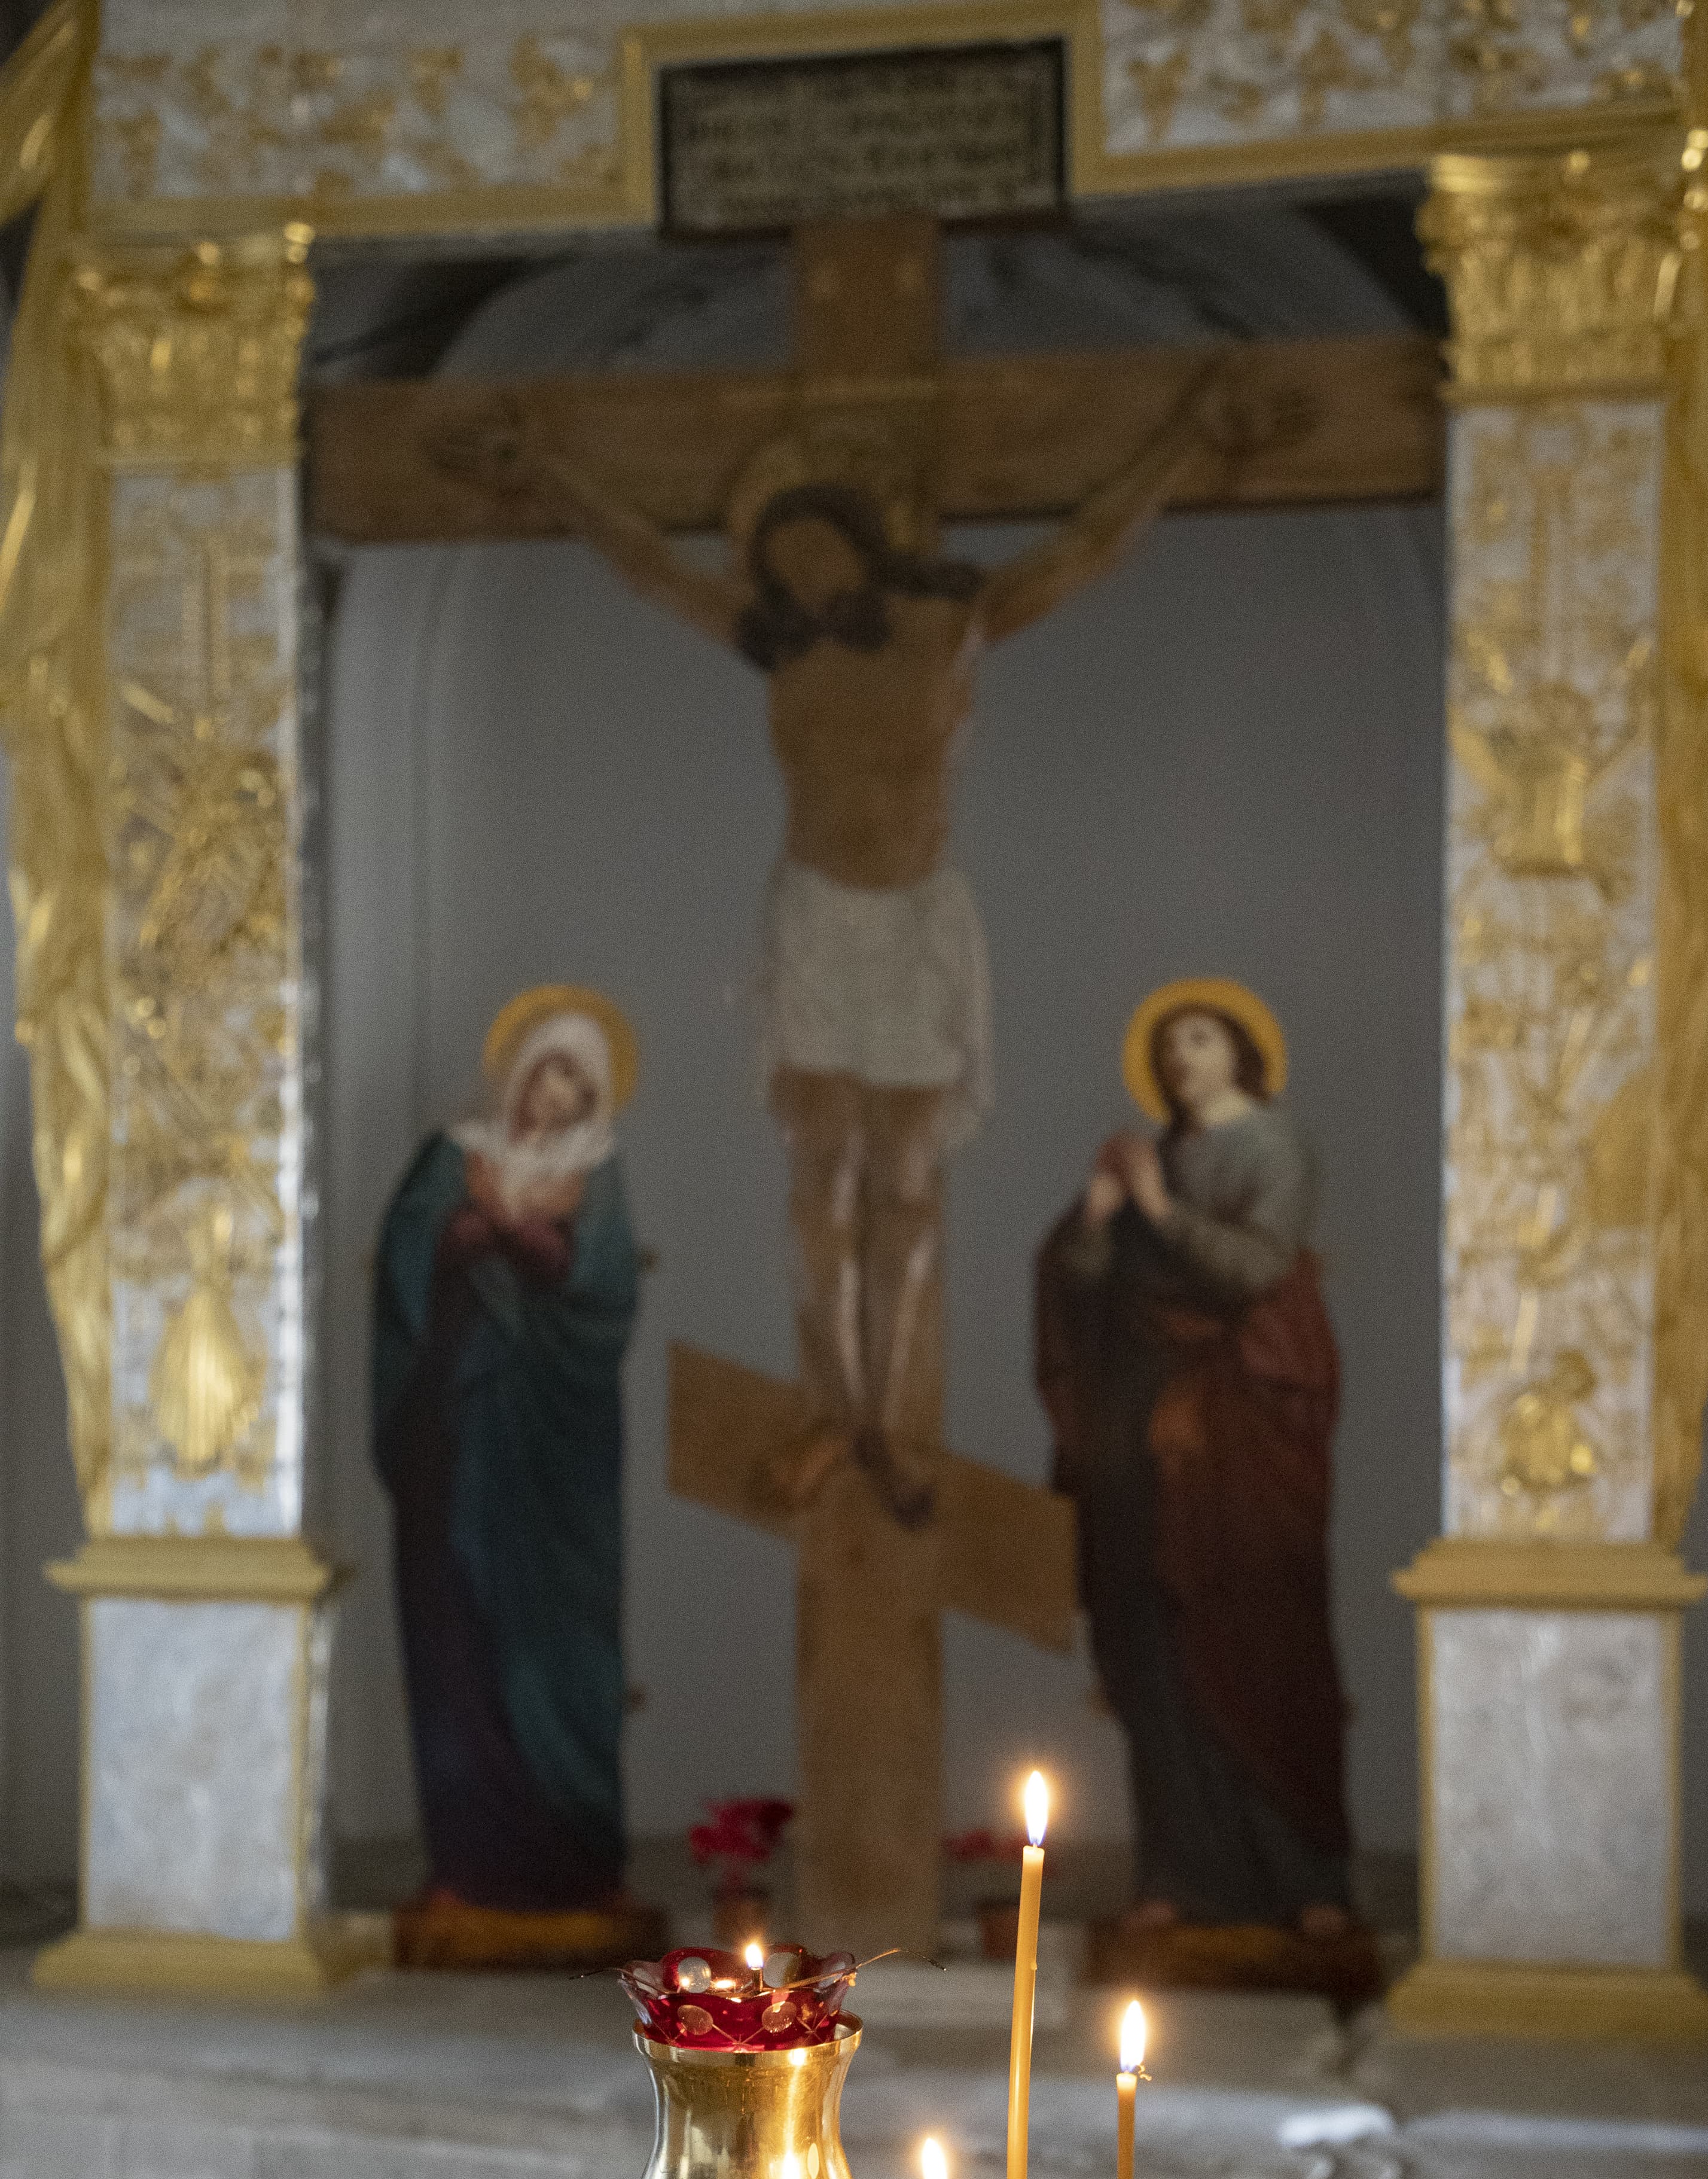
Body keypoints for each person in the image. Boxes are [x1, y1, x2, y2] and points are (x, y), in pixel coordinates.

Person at [434, 359, 1304, 1524]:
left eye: (819, 552)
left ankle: (886, 1425)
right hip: (815, 922)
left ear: (863, 541)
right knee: (818, 1185)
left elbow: (1087, 547)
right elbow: (649, 567)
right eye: (783, 565)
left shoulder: (952, 623)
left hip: (917, 928)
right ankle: (830, 1418)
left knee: (904, 1185)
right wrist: (547, 473)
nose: (803, 578)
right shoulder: (779, 647)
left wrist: (1189, 443)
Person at [1035, 979, 1353, 1939]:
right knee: (1157, 1644)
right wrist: (1097, 1219)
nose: (1182, 1059)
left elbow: (1255, 1268)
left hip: (1244, 1427)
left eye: (1202, 1039)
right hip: (1144, 1429)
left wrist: (1157, 1208)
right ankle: (1177, 1877)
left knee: (1264, 1637)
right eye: (1170, 1046)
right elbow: (1084, 1286)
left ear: (1242, 1053)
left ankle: (1307, 1880)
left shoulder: (1274, 1146)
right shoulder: (1155, 1156)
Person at [373, 986, 642, 1944]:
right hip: (458, 1426)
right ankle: (467, 1863)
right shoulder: (454, 1156)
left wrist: (531, 1245)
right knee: (457, 1633)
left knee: (561, 1643)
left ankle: (580, 1861)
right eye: (546, 1072)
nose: (555, 1097)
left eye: (576, 1084)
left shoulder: (596, 1175)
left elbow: (607, 1294)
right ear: (518, 1071)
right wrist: (464, 1232)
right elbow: (404, 1258)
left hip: (559, 1454)